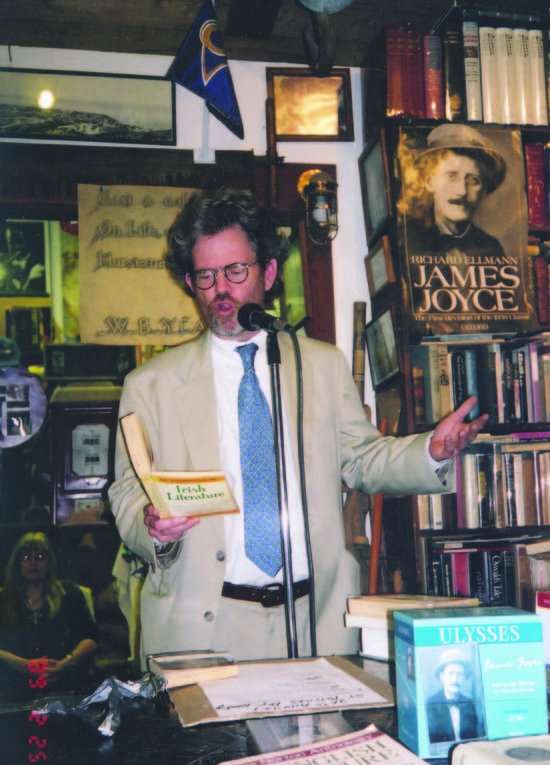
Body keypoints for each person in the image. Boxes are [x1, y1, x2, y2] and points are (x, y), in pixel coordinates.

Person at [108, 188, 487, 664]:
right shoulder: (150, 385)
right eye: (206, 275)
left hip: (314, 622)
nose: (220, 289)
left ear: (268, 273)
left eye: (235, 270)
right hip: (202, 626)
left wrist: (430, 451)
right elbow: (126, 491)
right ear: (190, 282)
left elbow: (363, 460)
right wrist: (152, 527)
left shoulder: (321, 367)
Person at [0, 531, 98, 699]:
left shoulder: (71, 594)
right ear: (17, 563)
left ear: (50, 562)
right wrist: (26, 666)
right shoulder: (3, 600)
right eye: (26, 557)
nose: (33, 562)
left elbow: (91, 639)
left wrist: (64, 664)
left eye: (40, 556)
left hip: (66, 689)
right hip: (13, 693)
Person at [400, 123, 507, 261]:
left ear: (484, 190)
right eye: (451, 177)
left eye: (473, 181)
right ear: (430, 182)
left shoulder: (492, 249)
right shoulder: (409, 242)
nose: (462, 191)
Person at [426, 648, 481, 743]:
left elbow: (474, 738)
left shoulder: (469, 704)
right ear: (442, 676)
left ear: (463, 678)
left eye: (459, 674)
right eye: (451, 674)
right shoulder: (431, 704)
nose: (455, 679)